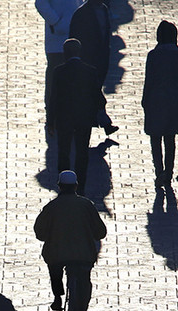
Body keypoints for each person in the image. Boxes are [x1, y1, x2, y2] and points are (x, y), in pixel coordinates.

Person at [34, 169, 107, 311]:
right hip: (83, 255)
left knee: (54, 270)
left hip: (57, 254)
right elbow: (100, 232)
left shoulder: (51, 207)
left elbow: (39, 232)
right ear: (76, 186)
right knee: (85, 281)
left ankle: (57, 297)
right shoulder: (86, 205)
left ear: (60, 186)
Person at [51, 39, 107, 195]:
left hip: (64, 119)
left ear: (65, 53)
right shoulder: (89, 71)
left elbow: (53, 98)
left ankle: (63, 184)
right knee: (82, 153)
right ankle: (80, 186)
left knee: (64, 151)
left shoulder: (59, 71)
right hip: (83, 118)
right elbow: (99, 97)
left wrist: (51, 121)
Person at [142, 22, 178, 191]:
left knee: (155, 137)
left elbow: (149, 79)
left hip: (155, 98)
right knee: (170, 139)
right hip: (172, 100)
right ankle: (168, 174)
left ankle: (158, 171)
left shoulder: (153, 55)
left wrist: (144, 100)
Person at [68, 0, 114, 132]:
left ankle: (102, 119)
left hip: (101, 59)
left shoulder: (103, 10)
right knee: (92, 91)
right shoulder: (81, 14)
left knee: (95, 89)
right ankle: (101, 120)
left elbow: (105, 34)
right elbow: (74, 37)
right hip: (87, 60)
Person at [36, 0, 84, 124]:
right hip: (57, 39)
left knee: (73, 75)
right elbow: (41, 3)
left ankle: (71, 109)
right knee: (55, 75)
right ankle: (52, 111)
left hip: (75, 33)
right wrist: (56, 22)